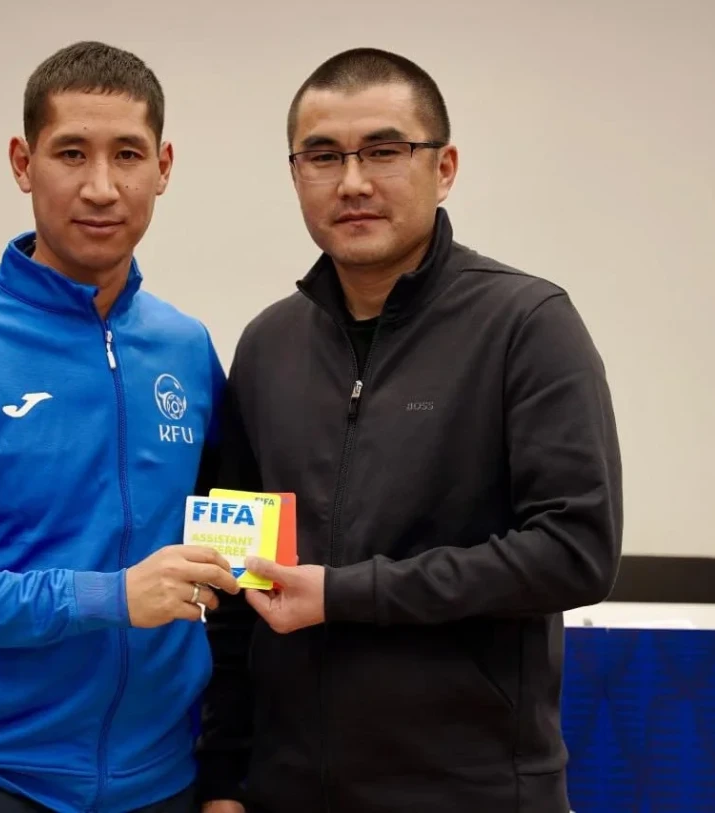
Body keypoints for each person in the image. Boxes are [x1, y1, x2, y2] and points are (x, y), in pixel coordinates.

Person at [196, 47, 623, 813]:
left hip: (474, 791)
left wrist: (344, 594)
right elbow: (237, 580)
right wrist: (225, 778)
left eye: (384, 151)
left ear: (444, 167)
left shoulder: (526, 325)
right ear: (296, 174)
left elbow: (575, 552)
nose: (353, 182)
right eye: (323, 156)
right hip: (288, 789)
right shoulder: (267, 346)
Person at [0, 41, 239, 813]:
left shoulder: (186, 348)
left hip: (163, 782)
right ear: (22, 163)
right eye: (71, 153)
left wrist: (230, 773)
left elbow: (228, 555)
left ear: (163, 166)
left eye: (127, 154)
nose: (101, 187)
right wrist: (109, 596)